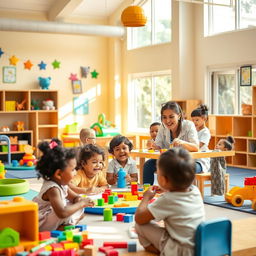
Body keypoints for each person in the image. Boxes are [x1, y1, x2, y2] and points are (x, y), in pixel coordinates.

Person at [135, 148, 205, 256]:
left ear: (163, 180)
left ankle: (162, 251)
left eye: (157, 173)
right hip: (200, 245)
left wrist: (146, 198)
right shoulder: (195, 190)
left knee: (139, 226)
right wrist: (168, 188)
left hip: (180, 251)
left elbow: (139, 218)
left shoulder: (168, 199)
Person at [32, 138, 94, 231]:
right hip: (39, 220)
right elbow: (62, 213)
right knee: (68, 212)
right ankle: (65, 225)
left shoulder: (63, 184)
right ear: (59, 174)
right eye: (73, 170)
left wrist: (80, 200)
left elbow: (74, 197)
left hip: (54, 214)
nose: (75, 173)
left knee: (77, 208)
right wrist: (81, 204)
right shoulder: (53, 189)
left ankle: (66, 224)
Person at [143, 101, 199, 184]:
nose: (167, 121)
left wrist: (182, 143)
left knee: (178, 168)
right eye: (164, 117)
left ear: (179, 116)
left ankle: (176, 195)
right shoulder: (163, 126)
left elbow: (196, 147)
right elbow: (159, 147)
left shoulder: (189, 125)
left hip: (192, 161)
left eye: (171, 117)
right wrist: (154, 146)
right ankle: (147, 192)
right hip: (171, 160)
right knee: (148, 165)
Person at [191, 104, 211, 173]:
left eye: (197, 120)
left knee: (188, 169)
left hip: (201, 162)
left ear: (204, 119)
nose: (194, 122)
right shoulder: (194, 131)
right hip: (192, 159)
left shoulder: (205, 132)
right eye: (193, 120)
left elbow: (198, 146)